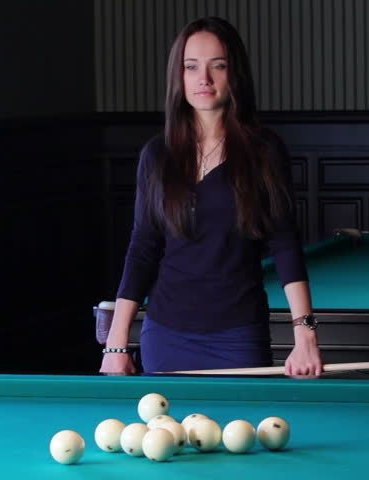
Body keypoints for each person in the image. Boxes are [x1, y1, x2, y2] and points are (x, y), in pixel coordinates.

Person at [100, 16, 322, 377]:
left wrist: (306, 333)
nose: (203, 78)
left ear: (235, 75)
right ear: (180, 76)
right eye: (191, 67)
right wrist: (116, 342)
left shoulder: (264, 151)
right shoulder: (157, 155)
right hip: (165, 335)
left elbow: (284, 243)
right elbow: (143, 248)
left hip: (238, 337)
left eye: (217, 66)